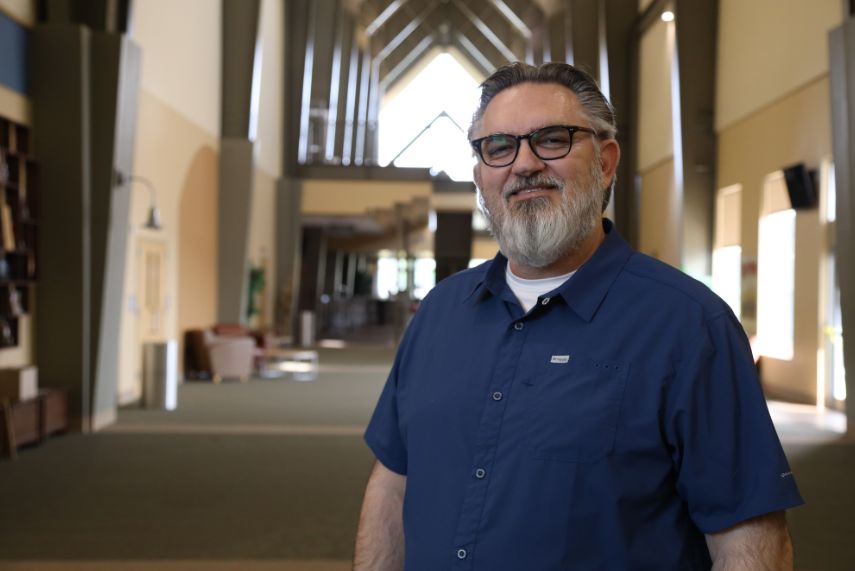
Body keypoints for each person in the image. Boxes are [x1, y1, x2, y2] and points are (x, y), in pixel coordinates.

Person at [353, 62, 803, 570]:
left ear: (606, 163)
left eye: (552, 139)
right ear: (480, 175)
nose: (523, 164)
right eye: (499, 146)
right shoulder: (439, 313)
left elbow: (749, 540)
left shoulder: (689, 326)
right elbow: (392, 485)